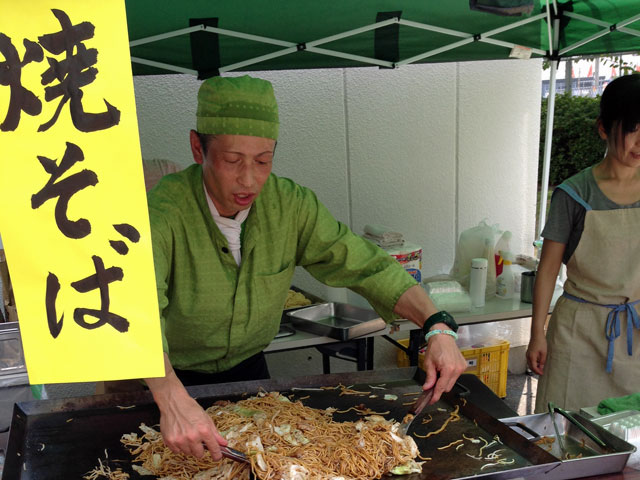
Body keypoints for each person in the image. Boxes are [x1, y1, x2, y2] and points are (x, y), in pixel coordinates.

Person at [143, 75, 467, 460]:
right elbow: (136, 308)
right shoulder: (161, 212)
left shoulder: (290, 206)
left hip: (246, 373)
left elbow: (365, 265)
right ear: (198, 148)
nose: (249, 180)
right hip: (160, 382)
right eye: (232, 161)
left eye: (263, 161)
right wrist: (171, 399)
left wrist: (436, 326)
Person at [526, 74, 640, 412]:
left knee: (629, 443)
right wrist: (537, 333)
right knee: (562, 435)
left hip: (634, 332)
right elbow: (547, 271)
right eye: (632, 129)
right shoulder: (574, 194)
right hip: (578, 333)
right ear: (604, 128)